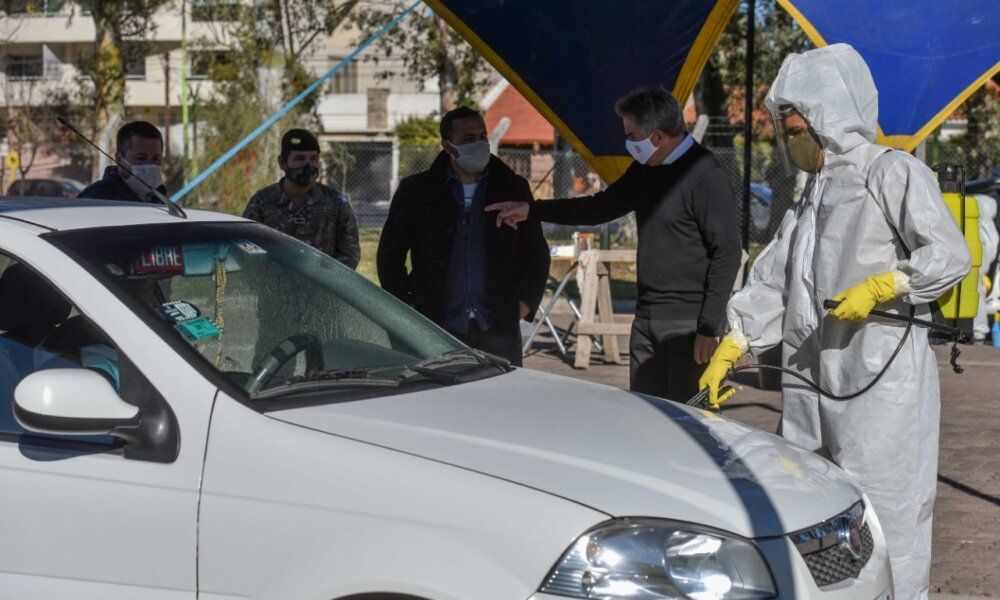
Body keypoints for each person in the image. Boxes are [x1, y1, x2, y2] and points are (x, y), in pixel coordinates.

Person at [698, 44, 971, 600]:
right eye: (787, 130)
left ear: (832, 115)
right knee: (809, 509)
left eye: (798, 128)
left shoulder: (889, 171)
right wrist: (736, 342)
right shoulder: (811, 195)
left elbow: (948, 253)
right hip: (809, 379)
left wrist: (885, 286)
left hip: (880, 385)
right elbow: (776, 280)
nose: (792, 140)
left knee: (889, 516)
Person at [486, 86, 741, 400]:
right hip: (647, 319)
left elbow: (727, 251)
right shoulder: (645, 169)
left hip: (688, 325)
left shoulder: (705, 174)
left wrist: (709, 326)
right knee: (644, 413)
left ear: (658, 137)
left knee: (686, 418)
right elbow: (599, 208)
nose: (628, 143)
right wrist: (532, 210)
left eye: (632, 136)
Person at [376, 107, 550, 366]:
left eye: (482, 136)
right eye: (468, 139)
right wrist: (408, 309)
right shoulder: (417, 191)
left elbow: (536, 253)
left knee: (501, 392)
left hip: (498, 330)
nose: (478, 144)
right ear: (448, 146)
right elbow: (389, 257)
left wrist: (523, 304)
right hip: (435, 327)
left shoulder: (512, 187)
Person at [244, 129, 360, 269]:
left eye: (313, 159)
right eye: (299, 159)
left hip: (321, 281)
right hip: (274, 280)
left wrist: (324, 276)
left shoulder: (336, 203)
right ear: (282, 162)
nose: (308, 166)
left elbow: (350, 254)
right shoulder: (261, 202)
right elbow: (246, 249)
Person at [79, 120, 167, 202]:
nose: (150, 165)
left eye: (156, 158)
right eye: (141, 158)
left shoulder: (160, 198)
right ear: (119, 159)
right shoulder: (94, 199)